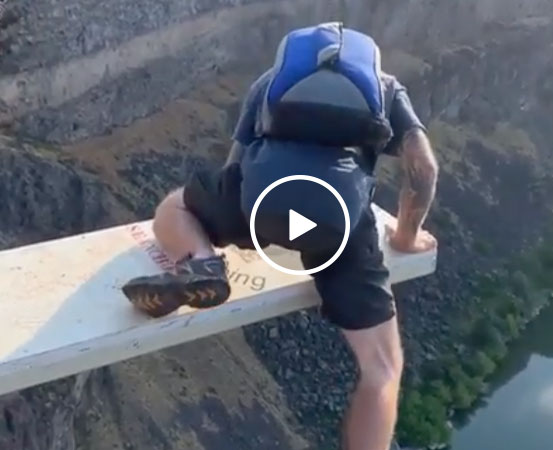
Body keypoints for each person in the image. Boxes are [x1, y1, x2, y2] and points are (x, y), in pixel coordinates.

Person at [121, 22, 438, 450]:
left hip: (261, 202)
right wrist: (405, 238)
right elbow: (424, 169)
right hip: (340, 223)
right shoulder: (388, 89)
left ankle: (202, 263)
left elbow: (236, 164)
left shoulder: (270, 82)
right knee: (382, 369)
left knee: (173, 207)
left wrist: (246, 226)